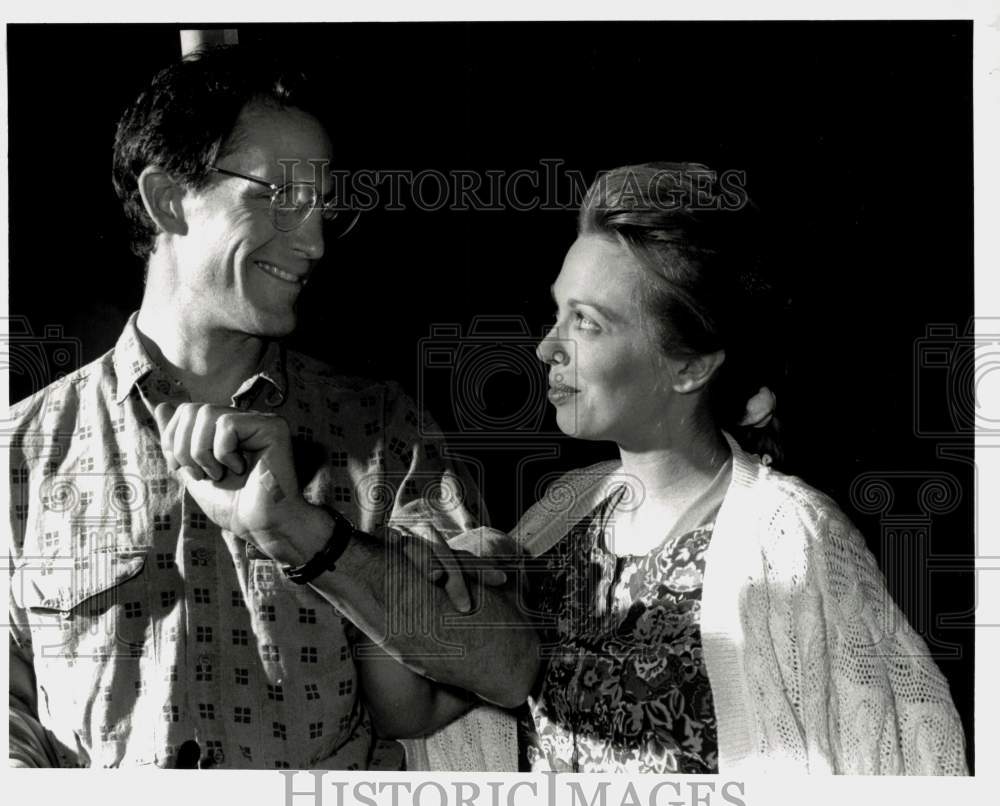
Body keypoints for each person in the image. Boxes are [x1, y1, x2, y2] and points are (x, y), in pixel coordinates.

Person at [7, 45, 537, 770]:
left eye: (322, 207)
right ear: (168, 198)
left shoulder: (384, 432)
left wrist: (305, 535)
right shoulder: (21, 451)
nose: (314, 242)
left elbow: (504, 668)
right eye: (278, 196)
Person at [368, 162, 969, 775]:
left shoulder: (793, 539)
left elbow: (897, 764)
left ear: (689, 368)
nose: (548, 347)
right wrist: (406, 579)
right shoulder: (557, 517)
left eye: (587, 322)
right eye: (558, 312)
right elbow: (409, 711)